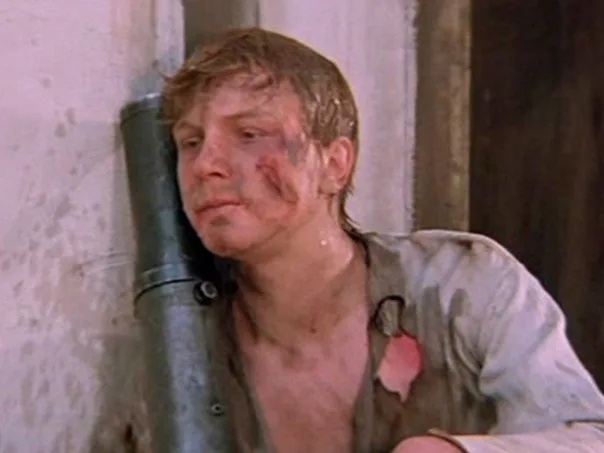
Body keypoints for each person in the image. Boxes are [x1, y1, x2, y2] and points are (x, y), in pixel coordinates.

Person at [162, 27, 604, 453]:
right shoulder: (177, 342)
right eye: (191, 142)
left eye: (249, 134)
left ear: (335, 164)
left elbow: (590, 437)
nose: (205, 165)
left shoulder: (461, 287)